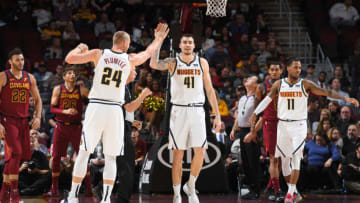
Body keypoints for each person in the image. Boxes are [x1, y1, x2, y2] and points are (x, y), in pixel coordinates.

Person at [63, 23, 169, 202]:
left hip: (96, 106)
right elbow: (149, 53)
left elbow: (70, 59)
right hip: (114, 110)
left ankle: (73, 196)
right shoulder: (130, 59)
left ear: (114, 42)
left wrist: (79, 47)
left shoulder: (99, 53)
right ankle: (105, 199)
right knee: (111, 157)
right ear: (126, 44)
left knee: (84, 153)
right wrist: (158, 39)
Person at [249, 57, 359, 203]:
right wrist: (255, 113)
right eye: (296, 67)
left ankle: (289, 194)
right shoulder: (279, 84)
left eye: (300, 67)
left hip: (298, 125)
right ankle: (294, 191)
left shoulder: (305, 84)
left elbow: (326, 92)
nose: (298, 70)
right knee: (285, 163)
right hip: (282, 125)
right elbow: (267, 100)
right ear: (288, 68)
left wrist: (345, 99)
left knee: (295, 159)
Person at [149, 33, 222, 203]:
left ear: (194, 45)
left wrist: (217, 116)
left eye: (190, 42)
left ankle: (190, 185)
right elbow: (153, 63)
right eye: (185, 42)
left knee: (201, 151)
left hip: (197, 111)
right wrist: (158, 42)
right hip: (179, 112)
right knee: (178, 156)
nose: (188, 45)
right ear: (179, 46)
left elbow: (210, 90)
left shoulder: (202, 62)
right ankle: (176, 194)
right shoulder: (173, 62)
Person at [0, 48, 43, 202]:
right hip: (7, 120)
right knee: (16, 153)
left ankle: (4, 192)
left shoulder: (30, 78)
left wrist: (37, 116)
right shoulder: (3, 77)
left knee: (21, 156)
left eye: (22, 59)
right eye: (17, 60)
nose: (21, 62)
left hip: (24, 121)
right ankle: (14, 193)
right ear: (10, 61)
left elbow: (37, 100)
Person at [45, 66, 90, 197]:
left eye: (74, 73)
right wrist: (64, 111)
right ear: (64, 76)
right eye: (69, 73)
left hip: (76, 127)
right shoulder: (58, 89)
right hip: (61, 126)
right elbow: (52, 109)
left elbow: (95, 101)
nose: (72, 75)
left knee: (82, 157)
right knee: (56, 157)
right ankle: (54, 188)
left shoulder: (81, 90)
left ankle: (88, 188)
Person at [248, 64, 284, 201]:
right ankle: (277, 190)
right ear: (269, 72)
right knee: (274, 158)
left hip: (283, 123)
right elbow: (256, 111)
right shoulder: (262, 87)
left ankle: (270, 187)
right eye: (272, 69)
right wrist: (253, 130)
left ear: (281, 71)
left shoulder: (286, 85)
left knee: (281, 160)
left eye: (277, 69)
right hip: (269, 123)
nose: (274, 72)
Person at [229, 75, 261, 200]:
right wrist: (233, 128)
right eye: (246, 79)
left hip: (251, 131)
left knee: (253, 161)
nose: (246, 79)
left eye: (251, 79)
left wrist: (253, 132)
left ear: (256, 84)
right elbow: (238, 116)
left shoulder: (257, 98)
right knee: (246, 162)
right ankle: (250, 188)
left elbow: (258, 117)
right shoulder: (242, 98)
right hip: (242, 131)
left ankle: (256, 189)